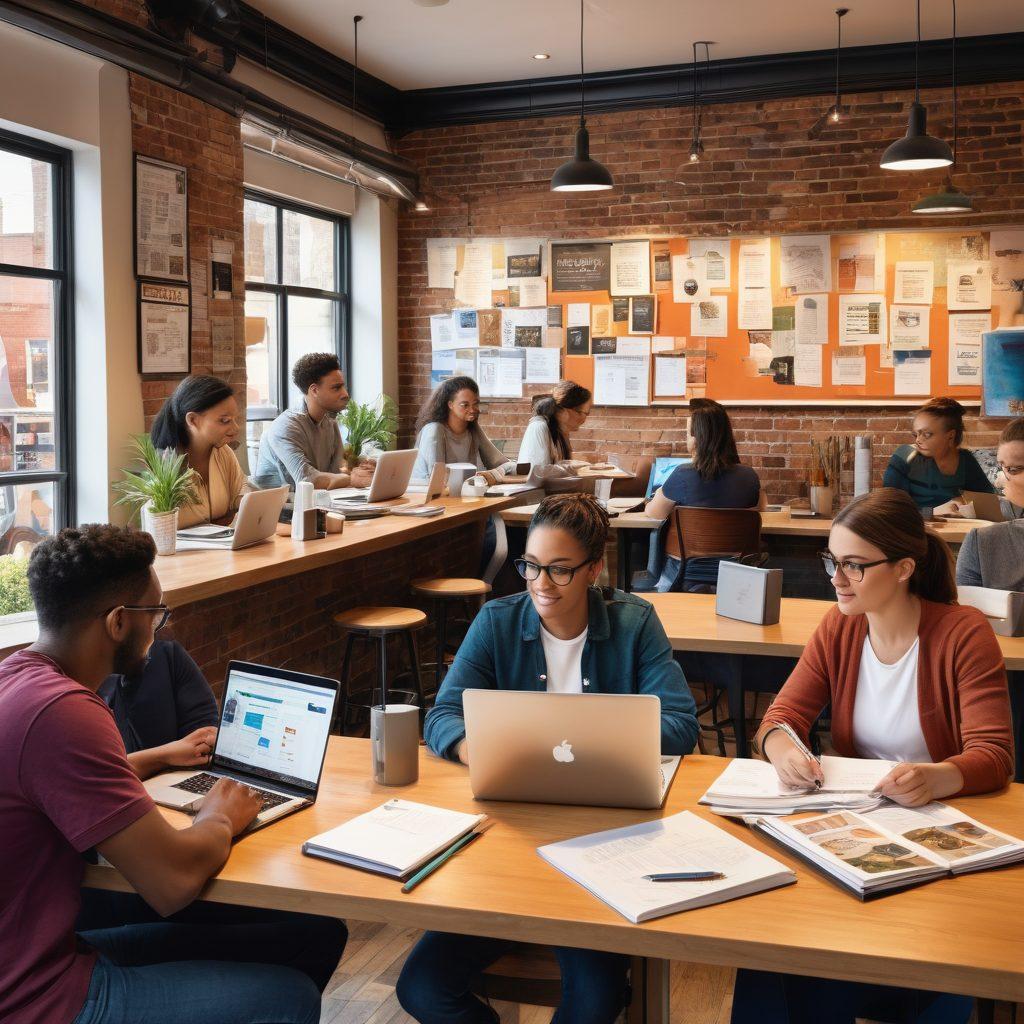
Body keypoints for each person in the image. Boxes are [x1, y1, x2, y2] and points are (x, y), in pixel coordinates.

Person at [0, 524, 347, 1024]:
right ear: (119, 622)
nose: (160, 627)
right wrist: (220, 815)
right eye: (156, 614)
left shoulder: (20, 679)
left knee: (314, 934)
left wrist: (160, 757)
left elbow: (55, 786)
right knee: (285, 997)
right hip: (36, 997)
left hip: (42, 954)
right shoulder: (65, 712)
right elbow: (170, 882)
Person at [398, 494, 698, 1024]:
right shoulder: (497, 620)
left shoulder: (634, 623)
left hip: (603, 845)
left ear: (594, 569)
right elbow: (441, 714)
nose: (541, 583)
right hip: (507, 841)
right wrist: (478, 747)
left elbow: (680, 725)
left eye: (560, 571)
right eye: (531, 566)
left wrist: (603, 737)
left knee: (596, 1000)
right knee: (421, 988)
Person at [731, 488, 1012, 1024]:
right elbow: (780, 717)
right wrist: (781, 748)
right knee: (768, 948)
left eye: (854, 566)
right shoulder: (840, 626)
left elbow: (995, 755)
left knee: (824, 966)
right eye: (833, 562)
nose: (836, 579)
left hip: (941, 842)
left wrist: (936, 778)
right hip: (854, 829)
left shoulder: (963, 633)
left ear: (905, 567)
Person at [646, 398, 766, 591]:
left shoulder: (682, 474)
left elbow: (654, 513)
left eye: (687, 433)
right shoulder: (749, 476)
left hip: (684, 572)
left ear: (696, 438)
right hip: (739, 573)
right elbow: (761, 507)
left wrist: (660, 492)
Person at [98, 638, 218, 779]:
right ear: (117, 621)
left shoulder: (167, 654)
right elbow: (100, 775)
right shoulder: (76, 694)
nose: (154, 632)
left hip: (170, 784)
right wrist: (166, 756)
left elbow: (203, 738)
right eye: (153, 620)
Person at [254, 352, 374, 490]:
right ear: (314, 390)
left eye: (343, 386)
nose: (345, 394)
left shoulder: (329, 421)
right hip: (282, 508)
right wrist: (354, 479)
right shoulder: (285, 427)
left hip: (319, 502)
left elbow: (336, 472)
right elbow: (306, 480)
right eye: (336, 388)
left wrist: (362, 470)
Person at [151, 375, 251, 528]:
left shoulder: (223, 452)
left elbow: (241, 493)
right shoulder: (165, 463)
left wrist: (254, 504)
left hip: (222, 546)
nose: (235, 428)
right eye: (224, 421)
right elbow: (162, 527)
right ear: (192, 420)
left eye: (235, 419)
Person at [882, 397, 994, 512]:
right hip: (914, 526)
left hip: (957, 527)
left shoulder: (966, 460)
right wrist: (933, 513)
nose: (918, 440)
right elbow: (891, 510)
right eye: (916, 434)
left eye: (927, 434)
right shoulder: (904, 456)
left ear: (950, 436)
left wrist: (964, 501)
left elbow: (989, 502)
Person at [956, 417, 1024, 590]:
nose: (1002, 480)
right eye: (1001, 467)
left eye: (1012, 469)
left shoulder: (982, 545)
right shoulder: (981, 544)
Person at [411, 376, 515, 482]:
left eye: (475, 404)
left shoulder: (472, 429)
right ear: (450, 405)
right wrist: (490, 474)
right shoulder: (434, 430)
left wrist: (511, 468)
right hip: (426, 494)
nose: (472, 409)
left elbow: (499, 462)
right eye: (465, 405)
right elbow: (437, 478)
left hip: (458, 493)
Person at [516, 380, 593, 469]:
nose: (584, 419)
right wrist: (572, 468)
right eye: (583, 413)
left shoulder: (560, 431)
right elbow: (537, 472)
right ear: (564, 411)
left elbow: (558, 466)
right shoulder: (539, 427)